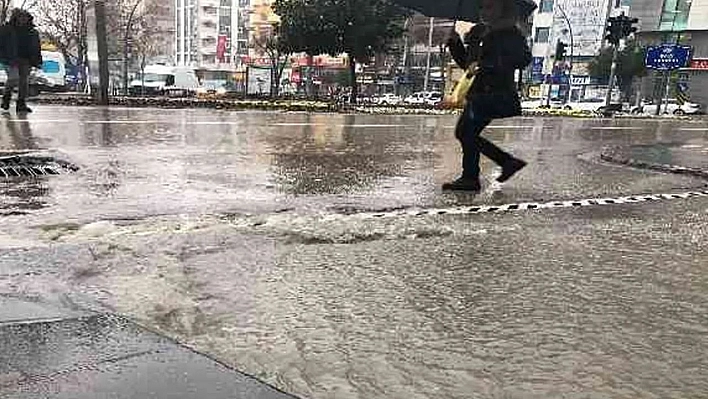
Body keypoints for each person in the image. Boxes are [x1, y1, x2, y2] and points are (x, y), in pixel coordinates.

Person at [443, 0, 532, 191]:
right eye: (482, 7)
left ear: (503, 8)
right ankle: (492, 168)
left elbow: (523, 59)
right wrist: (455, 44)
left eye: (490, 6)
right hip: (479, 93)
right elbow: (469, 65)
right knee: (467, 132)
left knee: (465, 132)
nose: (484, 11)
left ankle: (479, 174)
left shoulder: (510, 33)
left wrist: (489, 65)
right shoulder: (479, 33)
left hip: (495, 93)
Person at [0, 9, 42, 114]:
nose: (23, 19)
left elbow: (36, 47)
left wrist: (37, 60)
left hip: (26, 60)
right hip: (10, 59)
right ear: (15, 18)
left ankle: (21, 103)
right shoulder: (6, 29)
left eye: (25, 17)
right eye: (20, 17)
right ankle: (6, 98)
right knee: (13, 78)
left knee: (24, 82)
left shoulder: (33, 31)